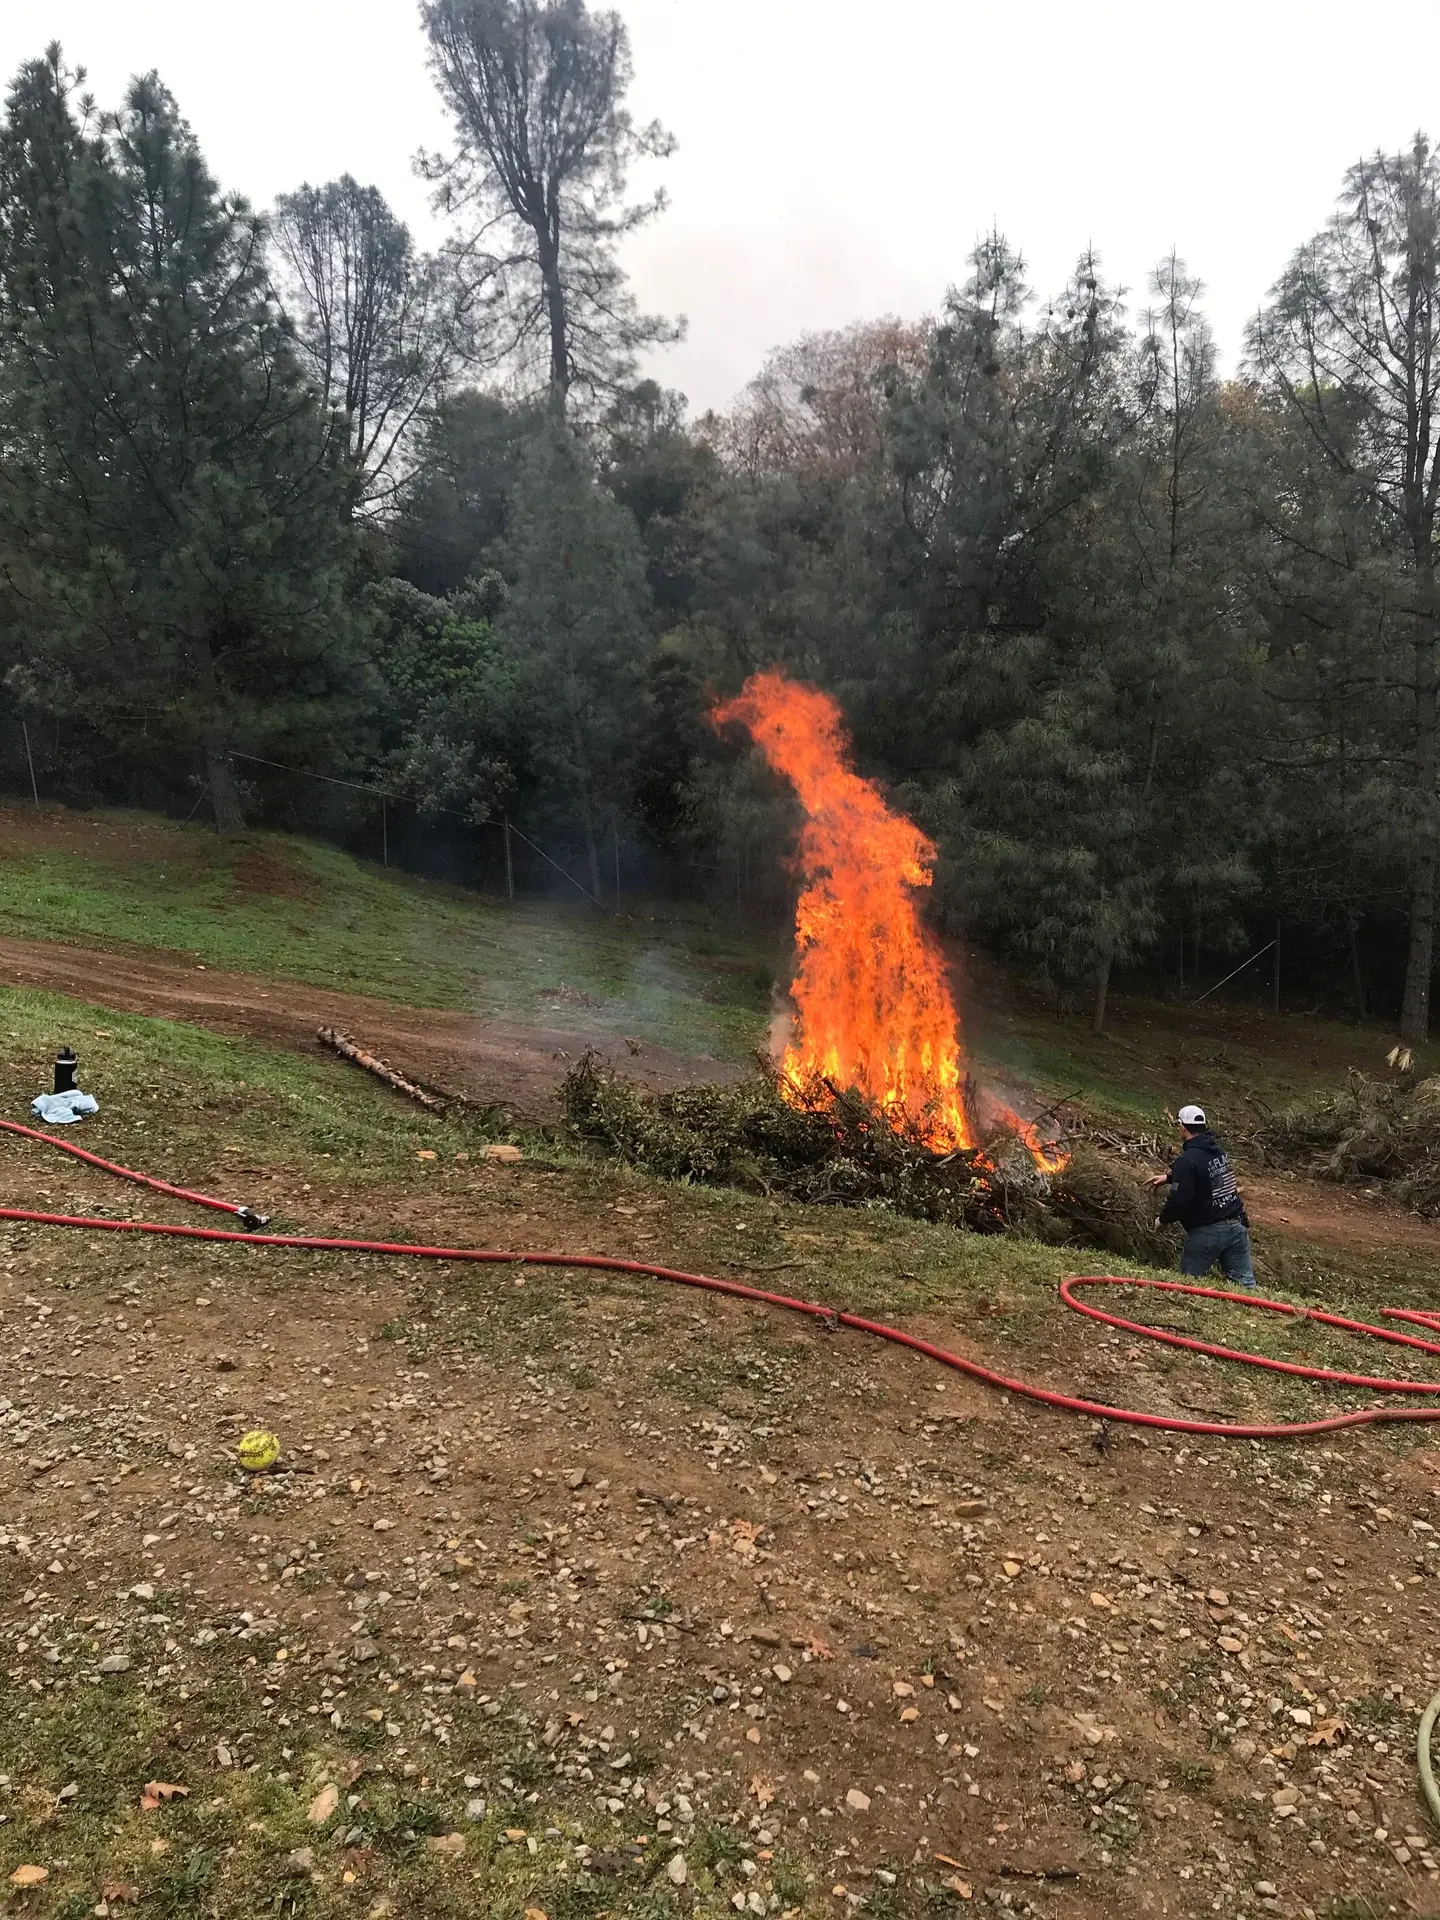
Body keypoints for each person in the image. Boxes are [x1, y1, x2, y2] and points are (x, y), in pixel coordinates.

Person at [1147, 1103, 1255, 1289]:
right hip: (1236, 1226)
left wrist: (1162, 1220)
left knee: (1189, 1283)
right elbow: (1207, 1174)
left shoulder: (1186, 1161)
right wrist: (1169, 1177)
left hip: (1207, 1232)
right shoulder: (1218, 1153)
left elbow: (1180, 1201)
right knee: (1245, 1286)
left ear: (1182, 1127)